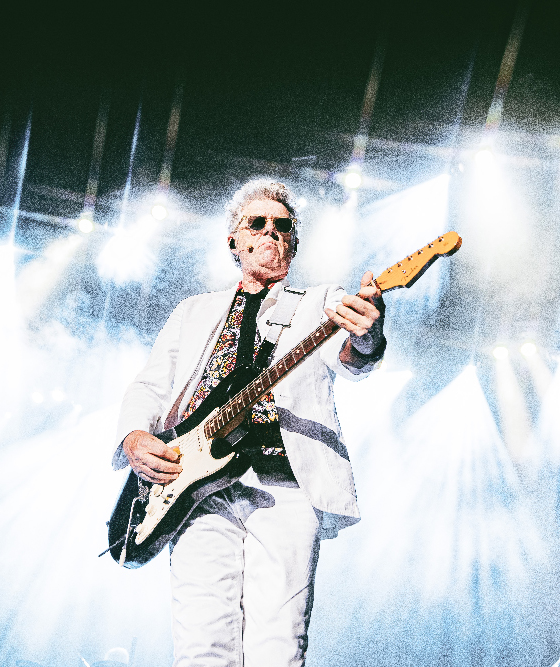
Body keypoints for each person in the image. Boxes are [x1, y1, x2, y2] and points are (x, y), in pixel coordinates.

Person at [112, 179, 385, 667]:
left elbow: (352, 359)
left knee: (278, 648)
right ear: (233, 241)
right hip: (196, 489)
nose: (271, 233)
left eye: (283, 226)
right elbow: (149, 388)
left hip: (284, 485)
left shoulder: (321, 301)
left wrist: (369, 334)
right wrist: (135, 437)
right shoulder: (194, 311)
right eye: (256, 224)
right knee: (201, 646)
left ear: (295, 244)